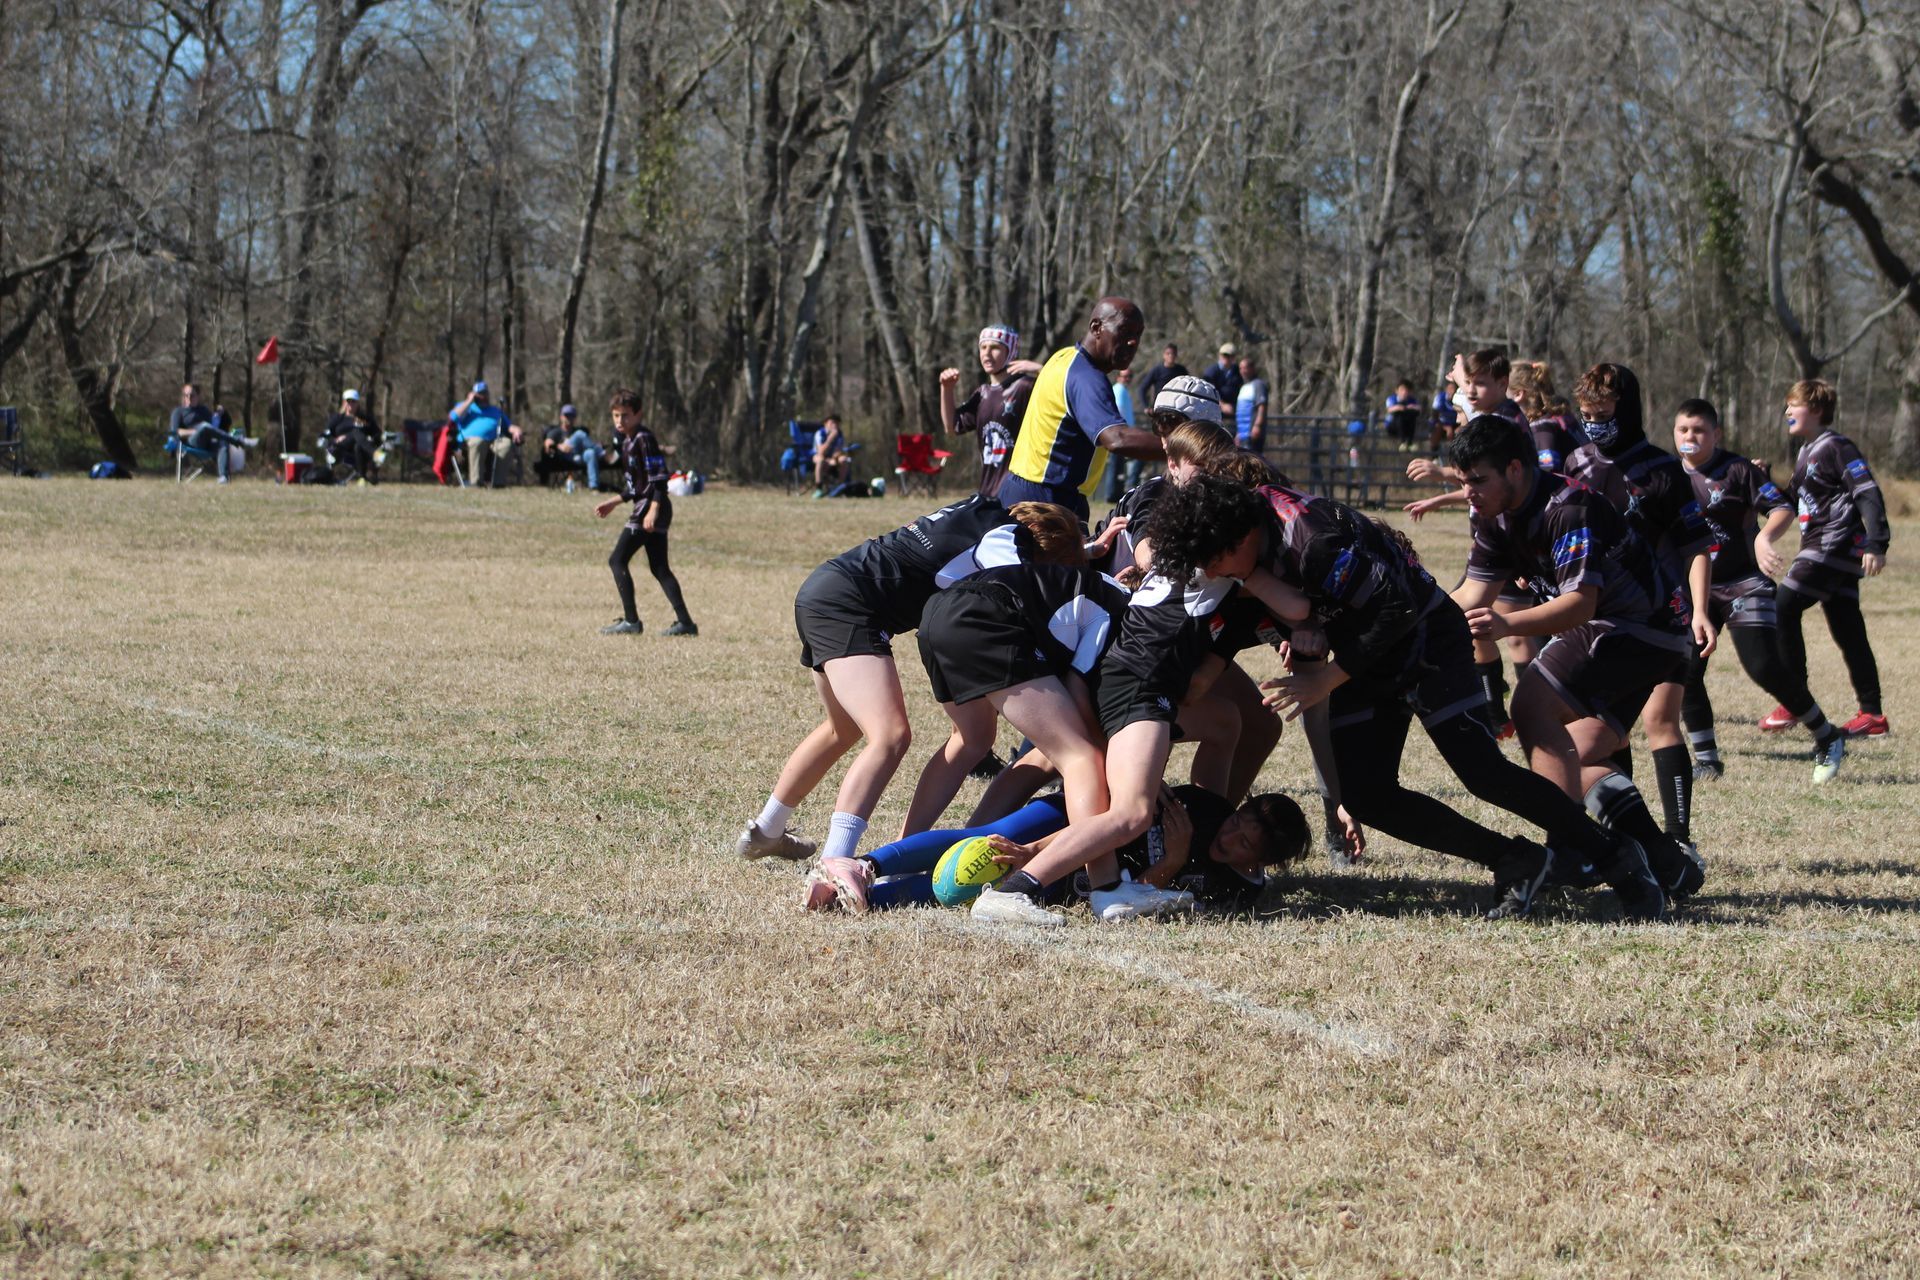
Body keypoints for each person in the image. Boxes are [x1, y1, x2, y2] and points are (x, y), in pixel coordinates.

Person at [1149, 470, 1664, 920]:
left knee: (1482, 772)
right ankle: (1515, 860)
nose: (1214, 572)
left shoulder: (1310, 539)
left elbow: (1393, 608)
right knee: (1367, 795)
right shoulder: (1241, 544)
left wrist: (1325, 678)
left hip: (1424, 638)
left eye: (1216, 560)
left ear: (1241, 534)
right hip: (1366, 656)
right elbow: (1234, 624)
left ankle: (1617, 855)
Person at [732, 499, 1086, 866]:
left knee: (958, 736)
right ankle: (835, 862)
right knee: (890, 736)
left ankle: (770, 830)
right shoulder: (1009, 539)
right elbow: (1024, 587)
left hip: (827, 586)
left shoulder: (983, 514)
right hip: (850, 606)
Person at [1447, 415, 1703, 915]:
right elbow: (1472, 595)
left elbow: (1581, 605)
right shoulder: (1493, 516)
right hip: (1643, 636)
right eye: (1462, 482)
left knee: (1531, 703)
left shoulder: (1568, 506)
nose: (1469, 493)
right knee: (1579, 755)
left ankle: (1572, 851)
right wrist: (1410, 618)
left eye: (1478, 480)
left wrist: (1505, 627)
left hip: (1632, 627)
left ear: (1515, 469)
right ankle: (1660, 857)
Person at [1573, 363, 1715, 847]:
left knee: (1659, 720)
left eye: (1604, 412)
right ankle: (1633, 838)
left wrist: (1699, 611)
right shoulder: (1576, 464)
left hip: (1662, 615)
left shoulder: (1661, 469)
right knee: (1606, 733)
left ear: (1627, 409)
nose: (1594, 422)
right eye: (1587, 413)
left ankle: (1678, 839)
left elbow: (1695, 545)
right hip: (1597, 618)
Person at [1672, 398, 1847, 785]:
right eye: (1683, 429)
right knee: (1686, 668)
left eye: (1699, 430)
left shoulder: (1737, 470)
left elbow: (1782, 507)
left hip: (1744, 583)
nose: (1690, 437)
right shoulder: (1668, 476)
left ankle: (1826, 733)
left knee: (1762, 667)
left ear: (1715, 434)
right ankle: (1707, 759)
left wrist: (1764, 538)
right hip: (1693, 587)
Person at [806, 789, 1307, 915]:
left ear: (1259, 862)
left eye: (1243, 842)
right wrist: (1035, 850)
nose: (1228, 835)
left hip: (1079, 881)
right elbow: (1107, 817)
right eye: (1237, 822)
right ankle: (865, 864)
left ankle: (852, 899)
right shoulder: (1201, 807)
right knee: (988, 841)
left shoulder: (1235, 895)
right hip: (1070, 818)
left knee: (960, 887)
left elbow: (1136, 906)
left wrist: (1170, 865)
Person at [1759, 377, 1890, 739]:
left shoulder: (1837, 446)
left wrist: (1877, 543)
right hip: (1825, 549)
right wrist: (1762, 481)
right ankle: (1873, 715)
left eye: (1793, 405)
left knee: (1782, 606)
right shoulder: (1806, 452)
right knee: (1848, 629)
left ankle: (1794, 700)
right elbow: (1791, 501)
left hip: (1831, 547)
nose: (1786, 411)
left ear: (1815, 410)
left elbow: (1867, 492)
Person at [1000, 297, 1164, 521]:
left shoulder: (1064, 357)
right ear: (1097, 328)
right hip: (1047, 501)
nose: (1133, 342)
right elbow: (1117, 438)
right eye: (1125, 331)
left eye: (1138, 334)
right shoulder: (1087, 377)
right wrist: (1188, 449)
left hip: (1026, 490)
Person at [593, 391, 696, 638]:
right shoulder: (628, 441)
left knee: (617, 560)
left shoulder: (643, 438)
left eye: (625, 416)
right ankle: (685, 624)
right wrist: (613, 502)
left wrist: (653, 509)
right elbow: (635, 486)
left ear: (638, 414)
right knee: (659, 567)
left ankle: (631, 622)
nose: (620, 421)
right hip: (648, 507)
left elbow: (660, 478)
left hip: (651, 508)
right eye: (616, 416)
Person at [940, 325, 1037, 500]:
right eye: (983, 347)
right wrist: (946, 389)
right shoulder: (982, 393)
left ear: (1011, 351)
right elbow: (951, 428)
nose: (987, 353)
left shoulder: (1025, 387)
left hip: (1017, 493)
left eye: (995, 347)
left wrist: (1040, 369)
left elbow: (1064, 390)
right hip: (987, 492)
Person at [169, 383, 259, 483]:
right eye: (186, 395)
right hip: (191, 442)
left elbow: (215, 428)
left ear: (198, 396)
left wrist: (221, 415)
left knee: (223, 442)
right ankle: (240, 441)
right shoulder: (178, 412)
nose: (189, 398)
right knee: (204, 426)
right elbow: (176, 432)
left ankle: (223, 477)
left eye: (192, 395)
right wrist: (196, 431)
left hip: (207, 443)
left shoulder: (204, 410)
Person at [452, 382, 513, 487]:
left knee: (506, 444)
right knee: (478, 441)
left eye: (485, 393)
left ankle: (498, 483)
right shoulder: (466, 408)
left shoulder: (495, 410)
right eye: (480, 394)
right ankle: (476, 482)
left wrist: (516, 430)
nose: (483, 396)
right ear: (474, 395)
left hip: (494, 440)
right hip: (469, 441)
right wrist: (469, 401)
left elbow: (509, 426)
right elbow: (454, 417)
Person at [536, 405, 605, 491]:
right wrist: (559, 446)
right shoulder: (556, 431)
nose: (568, 418)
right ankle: (601, 453)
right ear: (561, 417)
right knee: (580, 434)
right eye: (566, 415)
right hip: (564, 457)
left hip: (578, 456)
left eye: (571, 416)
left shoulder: (576, 430)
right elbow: (547, 444)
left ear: (575, 418)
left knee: (590, 453)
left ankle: (594, 486)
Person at [321, 389, 380, 485]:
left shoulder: (365, 419)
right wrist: (335, 440)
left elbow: (377, 434)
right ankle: (375, 454)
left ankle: (362, 478)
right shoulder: (337, 418)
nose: (351, 404)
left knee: (358, 445)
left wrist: (372, 439)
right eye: (349, 401)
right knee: (356, 431)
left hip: (360, 448)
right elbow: (325, 435)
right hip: (341, 447)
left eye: (354, 402)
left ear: (358, 403)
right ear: (344, 402)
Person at [1104, 366, 1137, 500]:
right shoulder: (1118, 390)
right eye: (1125, 376)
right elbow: (1117, 410)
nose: (1127, 379)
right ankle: (1111, 494)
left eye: (1129, 377)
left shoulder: (1124, 391)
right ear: (1118, 377)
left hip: (1125, 433)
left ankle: (1116, 493)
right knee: (1114, 465)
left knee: (1119, 466)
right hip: (1119, 433)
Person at [811, 413, 852, 497]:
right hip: (818, 457)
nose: (835, 425)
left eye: (837, 423)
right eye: (832, 422)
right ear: (825, 423)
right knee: (820, 460)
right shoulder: (820, 433)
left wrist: (835, 458)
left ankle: (839, 489)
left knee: (844, 459)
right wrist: (830, 438)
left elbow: (838, 451)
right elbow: (821, 452)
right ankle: (819, 488)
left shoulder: (839, 435)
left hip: (831, 459)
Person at [1233, 356, 1268, 451]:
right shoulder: (1243, 387)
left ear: (1252, 369)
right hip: (1242, 433)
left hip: (1252, 432)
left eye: (1245, 368)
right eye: (1241, 368)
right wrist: (1238, 433)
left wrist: (1257, 425)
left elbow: (1262, 406)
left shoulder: (1258, 385)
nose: (1242, 371)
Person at [1202, 342, 1243, 407]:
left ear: (1234, 357)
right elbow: (1208, 392)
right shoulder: (1211, 372)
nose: (1227, 358)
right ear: (1220, 355)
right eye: (1225, 355)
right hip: (1214, 408)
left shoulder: (1238, 371)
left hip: (1234, 408)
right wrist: (1223, 405)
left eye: (1230, 356)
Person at [1385, 380, 1421, 450]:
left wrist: (1411, 407)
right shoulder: (1392, 399)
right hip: (1392, 427)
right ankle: (1403, 442)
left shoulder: (1412, 400)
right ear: (1397, 391)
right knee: (1399, 415)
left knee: (1412, 416)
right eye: (1402, 390)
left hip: (1405, 427)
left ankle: (1410, 443)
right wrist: (1402, 407)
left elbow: (1419, 409)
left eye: (1406, 390)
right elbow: (1390, 409)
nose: (1404, 392)